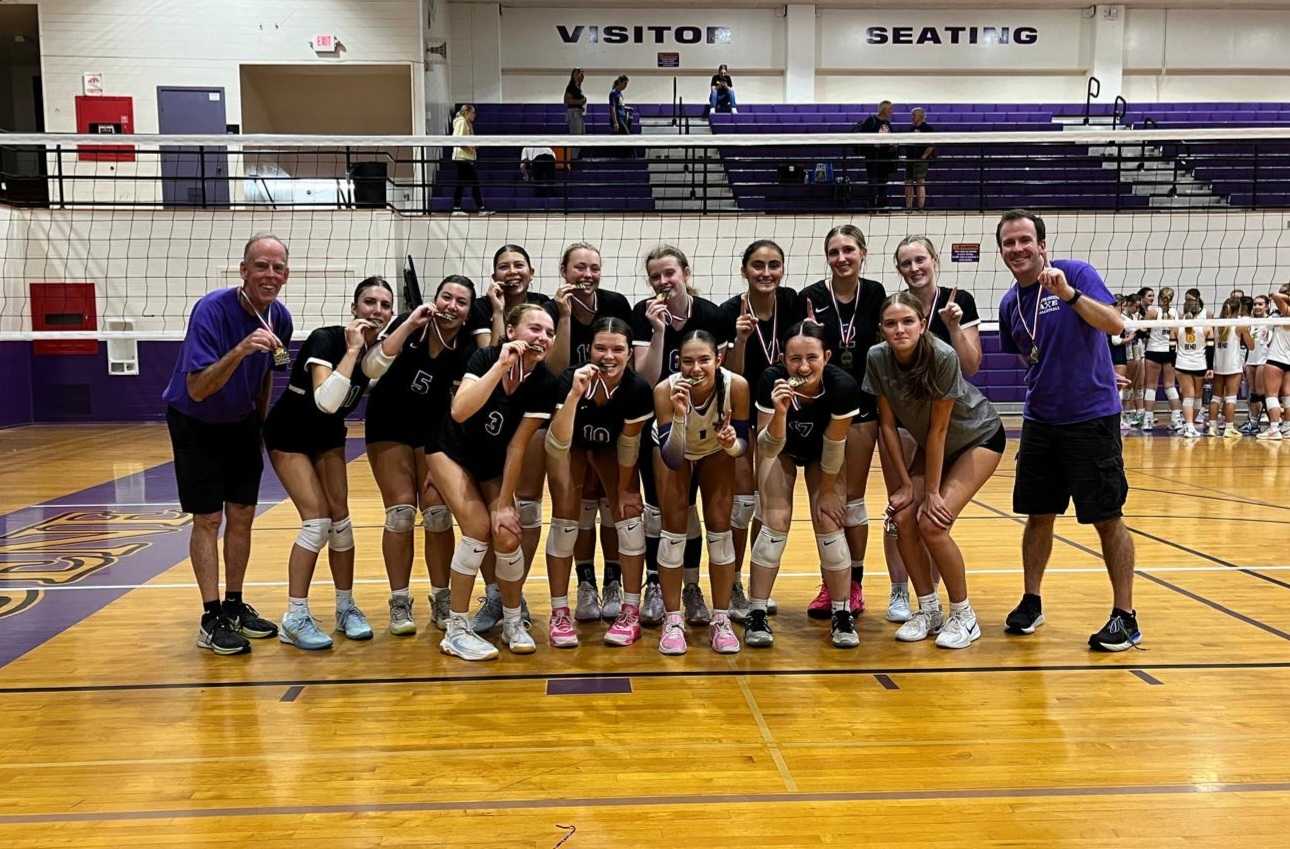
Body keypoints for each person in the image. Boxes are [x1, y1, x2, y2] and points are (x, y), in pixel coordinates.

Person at [995, 209, 1140, 651]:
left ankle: (1125, 616)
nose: (1017, 249)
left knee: (1106, 517)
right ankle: (1032, 601)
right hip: (1040, 420)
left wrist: (1070, 294)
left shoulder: (1075, 273)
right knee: (1038, 515)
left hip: (1090, 418)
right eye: (1009, 243)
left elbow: (1116, 326)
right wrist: (1074, 367)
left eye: (1024, 240)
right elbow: (1031, 356)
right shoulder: (1008, 304)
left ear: (1041, 244)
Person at [162, 234, 294, 655]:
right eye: (261, 266)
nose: (269, 275)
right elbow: (198, 388)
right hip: (195, 421)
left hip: (240, 424)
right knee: (207, 520)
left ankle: (235, 606)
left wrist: (260, 421)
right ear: (244, 270)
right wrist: (239, 350)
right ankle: (211, 616)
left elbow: (266, 374)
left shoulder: (281, 319)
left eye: (277, 268)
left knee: (242, 515)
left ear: (286, 275)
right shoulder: (211, 311)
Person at [867, 293, 1006, 649]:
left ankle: (964, 615)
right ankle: (928, 609)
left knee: (931, 522)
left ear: (923, 324)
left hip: (978, 437)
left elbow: (939, 430)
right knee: (901, 518)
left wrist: (929, 492)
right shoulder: (877, 357)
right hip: (933, 445)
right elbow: (886, 427)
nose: (900, 329)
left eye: (908, 321)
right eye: (891, 323)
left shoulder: (941, 356)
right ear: (881, 329)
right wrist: (903, 486)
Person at [264, 276, 393, 649]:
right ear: (355, 308)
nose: (377, 311)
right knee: (317, 521)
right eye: (370, 302)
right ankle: (295, 615)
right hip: (289, 434)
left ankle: (345, 607)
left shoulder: (378, 350)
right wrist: (352, 351)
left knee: (341, 520)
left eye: (385, 305)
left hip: (327, 436)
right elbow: (326, 401)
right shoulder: (328, 339)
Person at [428, 303, 560, 660]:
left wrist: (504, 503)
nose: (543, 337)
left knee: (507, 532)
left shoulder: (545, 382)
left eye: (549, 332)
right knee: (476, 528)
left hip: (492, 461)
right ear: (512, 331)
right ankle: (456, 628)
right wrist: (501, 365)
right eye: (535, 329)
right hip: (448, 450)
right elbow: (460, 410)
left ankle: (513, 621)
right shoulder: (485, 357)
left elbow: (517, 447)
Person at [362, 277, 475, 635]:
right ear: (435, 299)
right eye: (447, 297)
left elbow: (460, 407)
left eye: (461, 301)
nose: (452, 305)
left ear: (468, 313)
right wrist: (410, 322)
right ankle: (399, 601)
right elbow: (372, 368)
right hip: (389, 426)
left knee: (438, 512)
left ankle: (442, 599)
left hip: (432, 433)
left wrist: (444, 456)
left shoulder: (466, 348)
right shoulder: (409, 325)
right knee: (400, 512)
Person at [632, 245, 729, 626]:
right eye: (655, 276)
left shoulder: (711, 315)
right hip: (657, 422)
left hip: (703, 426)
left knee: (692, 512)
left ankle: (691, 587)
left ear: (685, 273)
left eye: (669, 274)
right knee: (659, 511)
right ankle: (655, 584)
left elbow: (723, 375)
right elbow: (644, 377)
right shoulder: (645, 313)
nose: (663, 282)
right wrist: (657, 332)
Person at [749, 322, 859, 649]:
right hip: (780, 448)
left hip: (822, 453)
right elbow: (767, 448)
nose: (804, 366)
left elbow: (835, 445)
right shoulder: (771, 381)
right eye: (795, 359)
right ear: (784, 359)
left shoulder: (842, 386)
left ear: (826, 356)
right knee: (775, 520)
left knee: (828, 520)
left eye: (812, 357)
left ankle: (841, 614)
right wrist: (780, 412)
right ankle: (757, 612)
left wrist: (826, 492)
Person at [467, 245, 560, 632]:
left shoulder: (544, 309)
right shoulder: (479, 307)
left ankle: (513, 591)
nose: (511, 271)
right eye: (503, 266)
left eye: (518, 264)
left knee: (527, 507)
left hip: (531, 408)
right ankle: (495, 593)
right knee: (493, 512)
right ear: (494, 273)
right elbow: (490, 355)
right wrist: (499, 310)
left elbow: (552, 361)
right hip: (489, 410)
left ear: (531, 270)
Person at [544, 318, 653, 647]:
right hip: (571, 447)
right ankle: (560, 612)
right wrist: (576, 395)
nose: (609, 355)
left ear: (629, 354)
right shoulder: (570, 378)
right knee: (565, 518)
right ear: (588, 350)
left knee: (629, 516)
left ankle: (630, 610)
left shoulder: (637, 389)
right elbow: (556, 443)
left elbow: (629, 444)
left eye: (618, 349)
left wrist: (624, 489)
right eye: (600, 348)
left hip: (613, 449)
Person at [800, 225, 886, 620]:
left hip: (863, 406)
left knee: (851, 499)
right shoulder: (812, 298)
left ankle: (854, 583)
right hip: (822, 409)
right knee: (824, 501)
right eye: (834, 252)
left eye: (848, 250)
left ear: (862, 253)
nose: (842, 258)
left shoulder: (876, 294)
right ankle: (829, 582)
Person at [548, 243, 634, 621]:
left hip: (614, 414)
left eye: (593, 268)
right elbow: (558, 367)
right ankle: (585, 583)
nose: (586, 275)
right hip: (574, 402)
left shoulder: (616, 302)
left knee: (613, 505)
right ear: (564, 271)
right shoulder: (553, 308)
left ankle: (613, 580)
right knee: (580, 508)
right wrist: (564, 317)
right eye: (579, 268)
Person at [653, 330, 751, 655]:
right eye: (688, 361)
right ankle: (672, 619)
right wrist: (680, 417)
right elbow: (672, 457)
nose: (696, 368)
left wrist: (730, 444)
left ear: (718, 360)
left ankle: (720, 619)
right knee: (673, 529)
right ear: (678, 362)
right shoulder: (665, 391)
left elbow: (742, 447)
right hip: (673, 447)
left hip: (714, 450)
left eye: (704, 360)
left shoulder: (736, 386)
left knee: (720, 528)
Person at [720, 239, 803, 620]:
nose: (766, 273)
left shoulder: (794, 303)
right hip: (740, 414)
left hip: (779, 412)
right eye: (758, 265)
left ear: (782, 268)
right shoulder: (729, 311)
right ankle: (733, 582)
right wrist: (740, 339)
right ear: (745, 270)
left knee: (769, 507)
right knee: (743, 504)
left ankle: (756, 584)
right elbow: (730, 374)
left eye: (773, 264)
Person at [893, 235, 980, 375]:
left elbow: (971, 368)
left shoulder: (960, 300)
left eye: (920, 260)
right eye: (906, 263)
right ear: (899, 269)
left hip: (950, 391)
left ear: (934, 260)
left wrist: (954, 328)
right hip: (907, 388)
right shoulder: (896, 307)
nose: (914, 268)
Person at [1209, 296, 1254, 438]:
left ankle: (1212, 427)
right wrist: (1246, 332)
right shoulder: (1239, 325)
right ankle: (1229, 428)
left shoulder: (1217, 324)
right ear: (1238, 308)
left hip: (1218, 365)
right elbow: (1251, 346)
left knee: (1216, 398)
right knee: (1231, 398)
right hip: (1233, 365)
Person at [1141, 286, 1183, 432]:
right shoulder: (1176, 313)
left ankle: (1147, 420)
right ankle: (1177, 419)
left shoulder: (1152, 311)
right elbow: (1177, 333)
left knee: (1151, 386)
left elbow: (1143, 329)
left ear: (1159, 297)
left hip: (1153, 351)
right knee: (1170, 386)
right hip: (1170, 351)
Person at [1172, 297, 1211, 439]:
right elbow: (1210, 351)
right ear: (1199, 310)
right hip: (1200, 364)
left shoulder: (1176, 326)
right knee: (1196, 395)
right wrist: (1210, 367)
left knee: (1188, 395)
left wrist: (1173, 364)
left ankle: (1188, 425)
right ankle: (1190, 425)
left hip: (1182, 364)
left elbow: (1171, 349)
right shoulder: (1206, 326)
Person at [1256, 283, 1290, 441]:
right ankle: (1288, 427)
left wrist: (1281, 295)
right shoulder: (1282, 313)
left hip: (1276, 359)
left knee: (1271, 395)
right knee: (1288, 396)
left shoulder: (1286, 311)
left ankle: (1274, 428)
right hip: (1288, 360)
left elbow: (1274, 295)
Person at [451, 104, 491, 216]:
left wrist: (473, 145)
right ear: (467, 112)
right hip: (462, 158)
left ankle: (457, 207)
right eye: (473, 112)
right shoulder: (461, 122)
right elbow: (458, 140)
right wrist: (471, 147)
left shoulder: (467, 123)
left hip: (466, 158)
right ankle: (480, 208)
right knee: (474, 182)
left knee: (462, 183)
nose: (475, 115)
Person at [856, 101, 898, 209]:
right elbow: (864, 138)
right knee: (873, 182)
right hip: (873, 157)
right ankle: (871, 206)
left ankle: (882, 205)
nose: (892, 112)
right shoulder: (871, 121)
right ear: (884, 110)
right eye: (890, 109)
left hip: (885, 158)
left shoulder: (887, 124)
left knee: (883, 182)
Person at [1243, 294, 1272, 434]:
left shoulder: (1271, 321)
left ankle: (1274, 423)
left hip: (1264, 360)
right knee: (1253, 393)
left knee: (1262, 392)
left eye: (1260, 304)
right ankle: (1253, 423)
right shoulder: (1250, 321)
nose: (1257, 307)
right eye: (1255, 304)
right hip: (1251, 360)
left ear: (1267, 306)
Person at [903, 107, 935, 210]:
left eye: (914, 115)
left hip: (921, 160)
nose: (912, 118)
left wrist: (924, 156)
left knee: (920, 182)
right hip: (910, 159)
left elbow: (932, 144)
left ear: (920, 116)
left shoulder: (927, 128)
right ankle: (909, 207)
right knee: (908, 182)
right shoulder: (911, 129)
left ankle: (920, 208)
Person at [564, 68, 587, 145]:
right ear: (574, 75)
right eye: (579, 74)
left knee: (582, 136)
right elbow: (566, 101)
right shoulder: (571, 87)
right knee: (576, 139)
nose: (581, 76)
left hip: (579, 113)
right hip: (574, 114)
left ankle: (578, 156)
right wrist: (580, 102)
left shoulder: (578, 87)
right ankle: (574, 156)